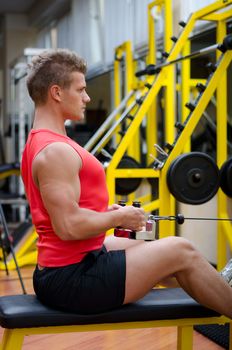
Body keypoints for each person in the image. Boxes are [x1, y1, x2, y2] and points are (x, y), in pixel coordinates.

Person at [21, 49, 232, 317]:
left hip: (73, 263)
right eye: (81, 89)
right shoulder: (55, 151)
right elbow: (68, 226)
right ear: (57, 93)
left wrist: (110, 214)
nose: (87, 98)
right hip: (71, 279)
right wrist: (120, 216)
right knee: (182, 250)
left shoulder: (42, 141)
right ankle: (223, 296)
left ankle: (215, 295)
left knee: (149, 244)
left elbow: (64, 213)